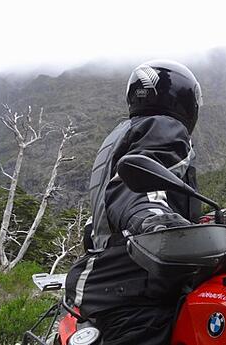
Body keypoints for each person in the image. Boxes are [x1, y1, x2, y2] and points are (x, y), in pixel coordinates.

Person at [65, 60, 203, 345]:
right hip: (134, 287)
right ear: (185, 98)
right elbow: (133, 190)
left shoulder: (123, 133)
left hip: (106, 277)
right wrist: (154, 218)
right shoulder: (164, 127)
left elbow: (115, 202)